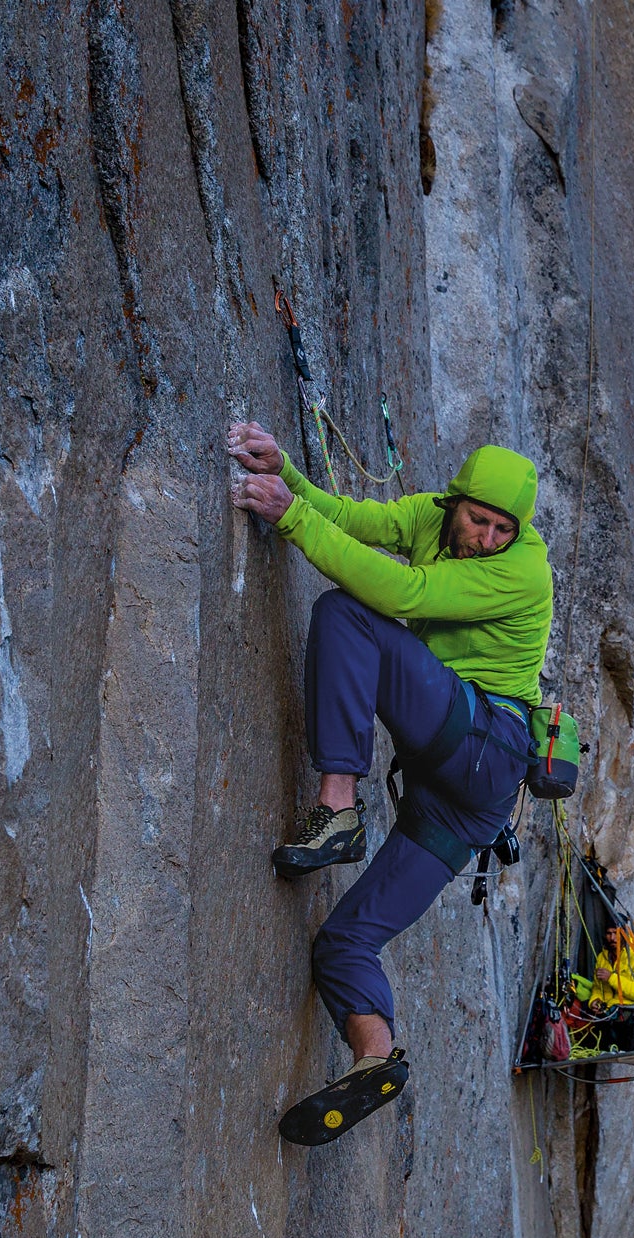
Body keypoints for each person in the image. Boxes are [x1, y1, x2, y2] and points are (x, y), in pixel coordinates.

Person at [226, 421, 552, 1145]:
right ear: (456, 501)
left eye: (504, 527)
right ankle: (374, 1055)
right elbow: (357, 519)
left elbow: (403, 588)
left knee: (348, 614)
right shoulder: (429, 515)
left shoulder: (522, 570)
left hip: (485, 747)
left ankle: (337, 808)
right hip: (463, 799)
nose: (488, 536)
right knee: (345, 944)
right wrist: (293, 481)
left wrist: (291, 517)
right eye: (479, 518)